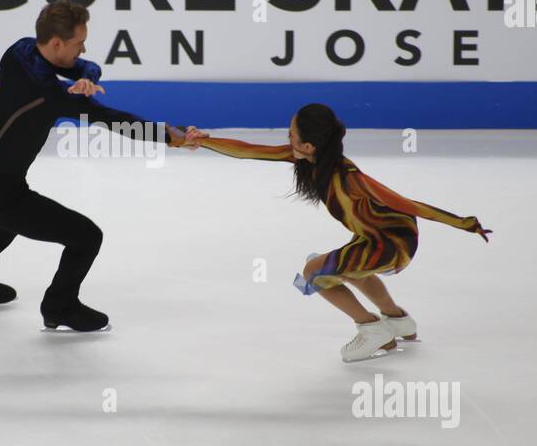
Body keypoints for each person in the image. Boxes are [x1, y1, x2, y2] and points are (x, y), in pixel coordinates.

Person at [0, 0, 202, 332]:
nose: (82, 48)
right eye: (78, 43)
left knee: (4, 222)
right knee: (85, 237)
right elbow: (113, 119)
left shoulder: (18, 52)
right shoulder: (49, 93)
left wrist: (86, 77)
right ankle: (60, 305)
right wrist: (172, 135)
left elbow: (85, 66)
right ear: (57, 43)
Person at [190, 104, 490, 362]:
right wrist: (204, 141)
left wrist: (462, 222)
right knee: (347, 268)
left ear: (309, 145)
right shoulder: (307, 158)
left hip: (391, 244)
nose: (288, 136)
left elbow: (407, 204)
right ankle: (398, 321)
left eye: (291, 133)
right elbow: (250, 151)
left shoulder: (349, 179)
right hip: (373, 238)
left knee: (314, 272)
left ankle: (371, 328)